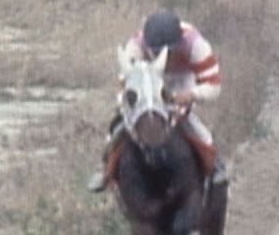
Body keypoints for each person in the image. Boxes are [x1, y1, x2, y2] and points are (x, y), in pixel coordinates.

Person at [86, 12, 229, 193]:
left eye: (171, 51)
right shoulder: (135, 48)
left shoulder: (197, 46)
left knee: (188, 123)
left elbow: (214, 85)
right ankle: (106, 167)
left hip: (183, 76)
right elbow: (125, 89)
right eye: (157, 51)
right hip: (146, 79)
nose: (166, 56)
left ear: (180, 43)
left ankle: (214, 163)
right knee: (121, 124)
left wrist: (191, 94)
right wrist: (128, 108)